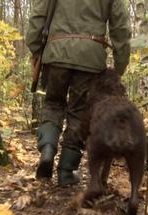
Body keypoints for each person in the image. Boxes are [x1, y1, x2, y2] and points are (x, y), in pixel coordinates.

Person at [26, 0, 131, 186]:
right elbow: (120, 27)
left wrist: (36, 48)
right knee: (79, 113)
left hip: (55, 53)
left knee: (53, 103)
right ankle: (66, 171)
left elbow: (37, 16)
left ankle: (48, 150)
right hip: (90, 58)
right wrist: (120, 65)